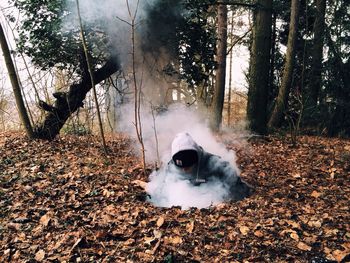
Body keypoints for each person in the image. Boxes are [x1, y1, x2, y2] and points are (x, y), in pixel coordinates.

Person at [166, 132, 253, 201]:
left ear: (196, 158)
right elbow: (164, 187)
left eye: (188, 165)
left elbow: (235, 184)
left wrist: (231, 199)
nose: (185, 169)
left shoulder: (215, 163)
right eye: (181, 166)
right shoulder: (171, 167)